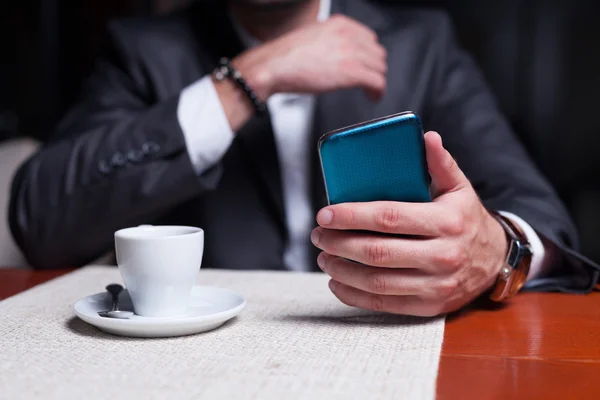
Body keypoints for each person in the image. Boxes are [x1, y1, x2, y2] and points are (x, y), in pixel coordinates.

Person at [9, 0, 599, 316]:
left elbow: (540, 213)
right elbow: (40, 221)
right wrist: (252, 76)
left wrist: (493, 251)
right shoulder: (141, 50)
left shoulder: (422, 43)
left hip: (387, 340)